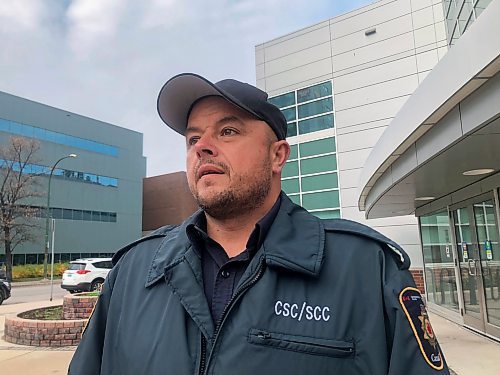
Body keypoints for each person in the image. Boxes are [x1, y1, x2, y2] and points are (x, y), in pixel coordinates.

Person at [69, 73, 450, 375]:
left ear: (277, 155)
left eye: (228, 131)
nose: (202, 147)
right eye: (193, 138)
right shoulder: (133, 272)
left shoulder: (367, 269)